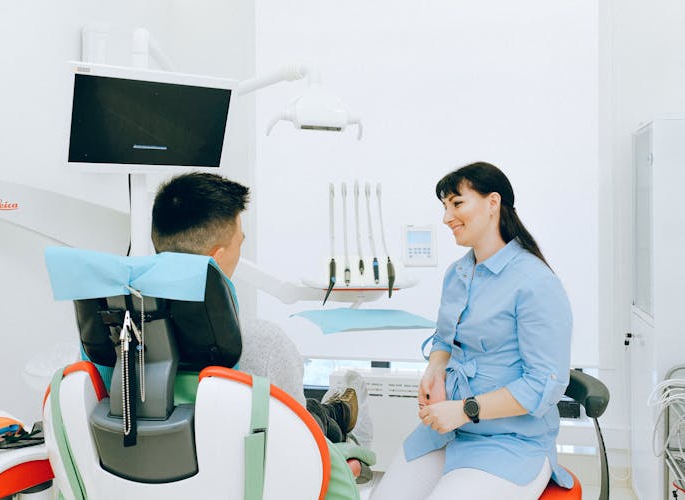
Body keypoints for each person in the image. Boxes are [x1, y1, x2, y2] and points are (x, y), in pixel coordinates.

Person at [370, 162, 572, 500]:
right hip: (450, 433)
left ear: (493, 203)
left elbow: (543, 383)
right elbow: (444, 337)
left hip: (510, 442)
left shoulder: (536, 283)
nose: (447, 217)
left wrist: (466, 409)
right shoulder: (459, 273)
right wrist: (435, 369)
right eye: (444, 207)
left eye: (456, 203)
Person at [150, 171, 362, 445]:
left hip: (150, 468)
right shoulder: (263, 341)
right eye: (240, 243)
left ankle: (331, 410)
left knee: (310, 409)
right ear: (218, 258)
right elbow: (300, 440)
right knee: (318, 419)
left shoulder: (119, 332)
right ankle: (336, 413)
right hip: (248, 470)